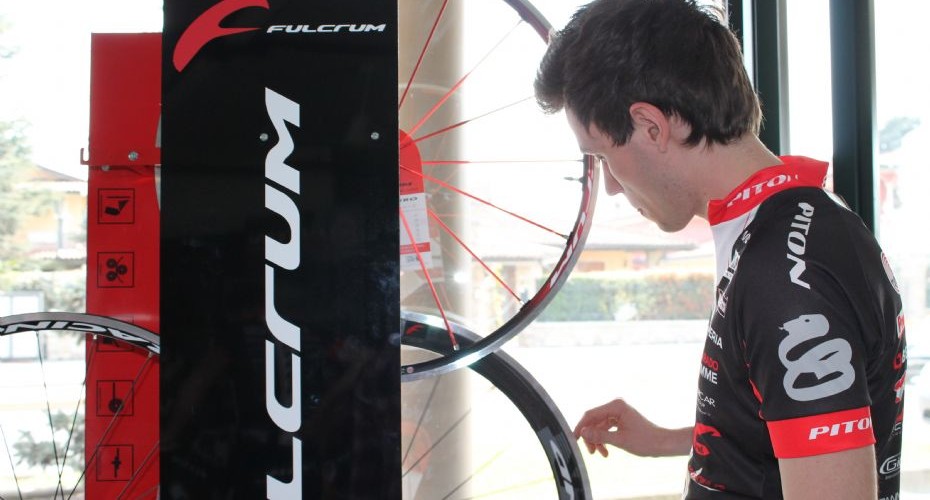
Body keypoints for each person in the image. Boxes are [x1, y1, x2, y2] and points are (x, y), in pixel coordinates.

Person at [534, 0, 907, 498]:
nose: (613, 188)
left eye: (602, 156)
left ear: (651, 126)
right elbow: (785, 423)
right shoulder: (787, 228)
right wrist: (667, 440)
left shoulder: (786, 275)